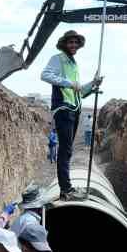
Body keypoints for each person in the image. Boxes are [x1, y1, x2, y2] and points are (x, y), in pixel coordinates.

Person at [39, 30, 102, 200]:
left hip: (74, 109)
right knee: (65, 150)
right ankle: (66, 189)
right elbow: (44, 75)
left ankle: (67, 188)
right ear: (64, 44)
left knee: (68, 150)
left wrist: (93, 84)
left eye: (75, 42)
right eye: (70, 42)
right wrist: (68, 83)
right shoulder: (58, 59)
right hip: (63, 109)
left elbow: (79, 91)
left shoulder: (73, 64)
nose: (73, 45)